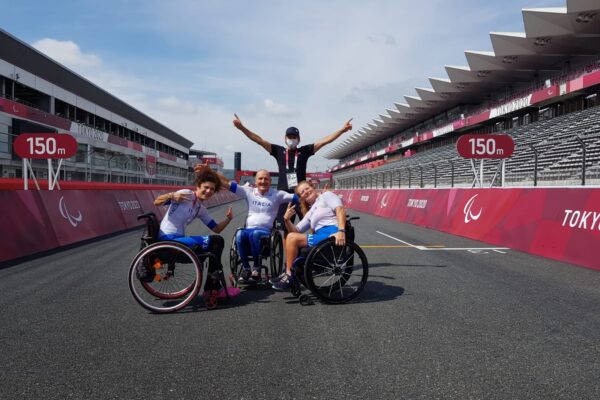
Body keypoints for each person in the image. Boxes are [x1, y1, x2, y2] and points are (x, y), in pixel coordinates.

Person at [232, 114, 352, 227]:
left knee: (313, 223)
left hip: (301, 195)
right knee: (285, 227)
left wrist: (342, 130)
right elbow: (259, 140)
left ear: (299, 140)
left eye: (294, 137)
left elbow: (325, 141)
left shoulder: (304, 151)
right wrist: (242, 128)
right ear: (285, 138)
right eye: (289, 137)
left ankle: (312, 241)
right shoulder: (278, 151)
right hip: (283, 196)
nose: (292, 139)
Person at [198, 166, 296, 283]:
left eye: (266, 179)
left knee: (255, 234)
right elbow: (227, 184)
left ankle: (256, 267)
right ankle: (246, 268)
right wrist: (209, 171)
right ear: (255, 181)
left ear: (270, 181)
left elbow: (298, 196)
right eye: (260, 179)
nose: (263, 181)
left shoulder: (278, 194)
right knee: (239, 234)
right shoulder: (248, 191)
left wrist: (311, 194)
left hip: (265, 231)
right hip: (249, 229)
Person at [153, 167, 233, 294]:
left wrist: (228, 219)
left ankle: (212, 285)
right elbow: (156, 202)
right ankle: (212, 286)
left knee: (216, 241)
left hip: (178, 241)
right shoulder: (187, 194)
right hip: (168, 239)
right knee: (216, 241)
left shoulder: (200, 209)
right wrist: (172, 195)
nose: (208, 191)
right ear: (198, 186)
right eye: (206, 187)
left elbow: (216, 228)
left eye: (212, 189)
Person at [271, 180, 346, 291]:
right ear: (301, 198)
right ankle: (290, 272)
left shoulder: (326, 195)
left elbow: (340, 209)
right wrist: (286, 220)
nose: (306, 192)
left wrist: (341, 231)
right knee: (291, 236)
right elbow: (296, 230)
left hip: (332, 234)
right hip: (321, 237)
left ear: (313, 188)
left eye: (307, 188)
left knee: (291, 237)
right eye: (302, 192)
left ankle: (289, 275)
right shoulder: (311, 211)